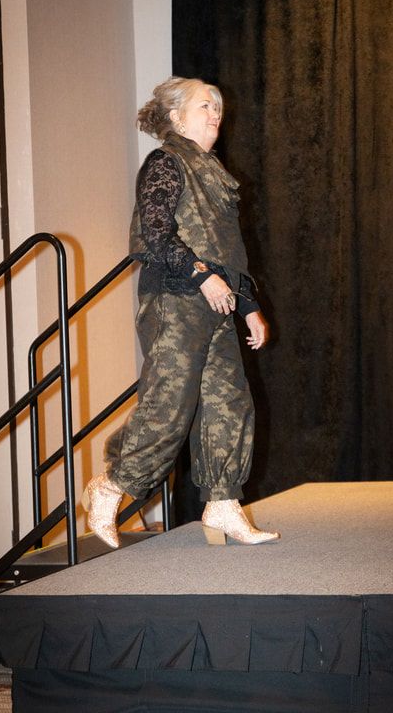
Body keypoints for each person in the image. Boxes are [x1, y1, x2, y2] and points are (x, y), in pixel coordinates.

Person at [81, 77, 279, 547]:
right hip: (176, 297)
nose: (216, 113)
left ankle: (223, 502)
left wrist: (248, 305)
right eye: (205, 105)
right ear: (175, 117)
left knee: (230, 405)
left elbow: (230, 251)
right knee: (170, 403)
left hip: (217, 302)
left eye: (219, 107)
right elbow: (155, 233)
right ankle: (111, 486)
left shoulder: (213, 170)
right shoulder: (165, 162)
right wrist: (199, 275)